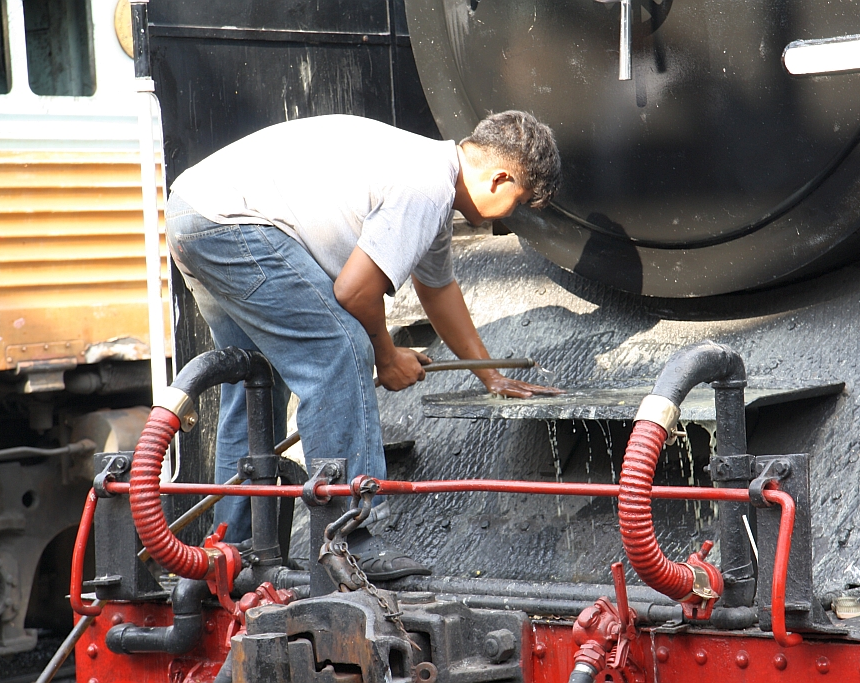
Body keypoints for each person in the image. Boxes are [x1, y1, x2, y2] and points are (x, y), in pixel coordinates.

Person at [164, 111, 563, 580]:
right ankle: (347, 537)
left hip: (194, 210)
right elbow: (354, 292)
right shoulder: (426, 185)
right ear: (500, 178)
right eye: (517, 202)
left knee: (256, 380)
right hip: (235, 223)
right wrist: (387, 355)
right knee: (342, 348)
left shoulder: (428, 175)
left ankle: (234, 550)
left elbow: (438, 290)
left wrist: (487, 373)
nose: (512, 215)